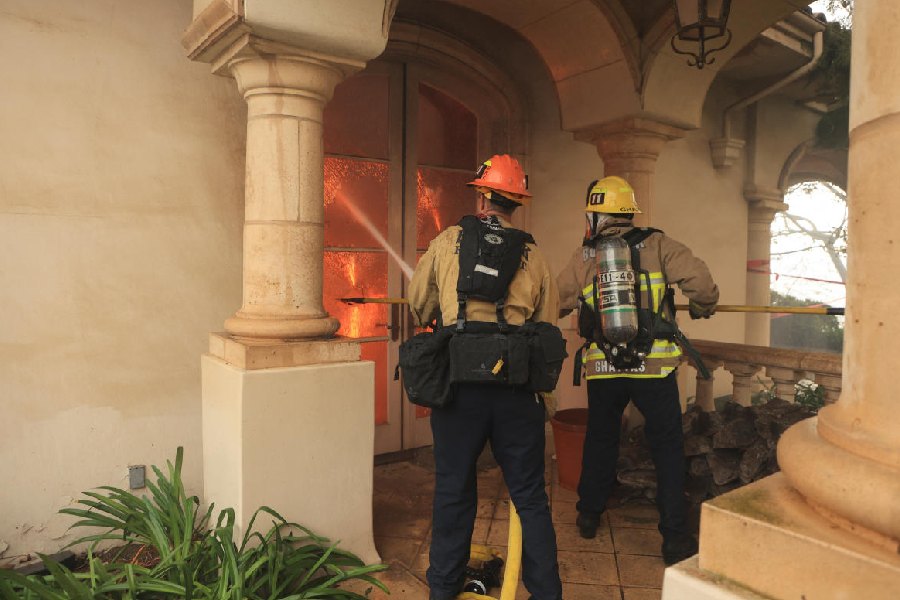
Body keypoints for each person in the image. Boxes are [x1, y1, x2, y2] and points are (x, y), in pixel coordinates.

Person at [408, 154, 564, 600]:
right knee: (530, 496)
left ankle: (442, 589)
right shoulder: (534, 253)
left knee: (454, 489)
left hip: (459, 389)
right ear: (517, 202)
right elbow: (547, 326)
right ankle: (548, 593)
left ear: (481, 195)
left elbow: (420, 304)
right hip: (517, 390)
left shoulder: (448, 241)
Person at [557, 176, 719, 565]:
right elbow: (702, 284)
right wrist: (701, 306)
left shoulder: (585, 257)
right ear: (630, 212)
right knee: (667, 448)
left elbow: (555, 301)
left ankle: (588, 515)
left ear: (596, 214)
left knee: (601, 439)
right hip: (655, 368)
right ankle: (674, 538)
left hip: (604, 368)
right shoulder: (661, 244)